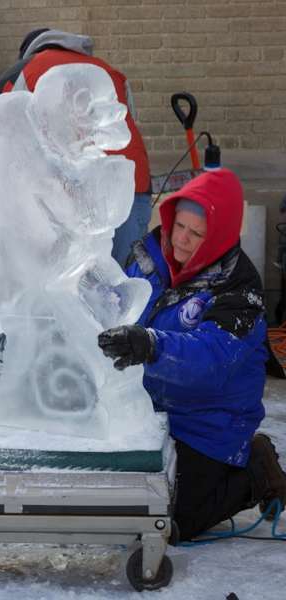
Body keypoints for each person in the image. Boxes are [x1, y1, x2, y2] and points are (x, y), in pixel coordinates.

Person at [97, 168, 286, 541]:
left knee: (169, 521)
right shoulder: (149, 256)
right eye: (178, 225)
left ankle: (254, 472)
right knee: (115, 498)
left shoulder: (239, 291)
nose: (181, 240)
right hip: (145, 408)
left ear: (218, 237)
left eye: (197, 234)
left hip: (206, 423)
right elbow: (112, 303)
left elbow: (210, 360)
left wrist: (151, 344)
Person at [0, 28, 152, 268]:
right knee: (126, 278)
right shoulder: (108, 69)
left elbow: (3, 132)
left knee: (70, 285)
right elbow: (131, 121)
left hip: (70, 196)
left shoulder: (25, 70)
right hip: (130, 185)